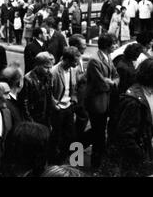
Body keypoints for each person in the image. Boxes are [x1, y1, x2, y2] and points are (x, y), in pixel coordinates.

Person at [111, 58, 153, 176]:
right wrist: (143, 159)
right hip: (137, 161)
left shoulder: (148, 93)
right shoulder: (133, 102)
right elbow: (125, 136)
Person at [85, 33, 119, 169]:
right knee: (98, 133)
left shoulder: (108, 56)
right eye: (114, 43)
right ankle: (94, 164)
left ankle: (94, 158)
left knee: (98, 131)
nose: (116, 46)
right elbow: (101, 85)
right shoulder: (95, 60)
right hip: (96, 102)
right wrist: (109, 82)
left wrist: (111, 82)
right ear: (107, 45)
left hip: (105, 100)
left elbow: (116, 75)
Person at [50, 46, 81, 164]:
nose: (77, 63)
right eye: (74, 61)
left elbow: (74, 86)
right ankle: (54, 164)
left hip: (68, 106)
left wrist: (73, 99)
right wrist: (54, 105)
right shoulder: (54, 71)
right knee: (56, 136)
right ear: (66, 60)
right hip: (58, 109)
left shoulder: (73, 69)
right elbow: (49, 92)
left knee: (71, 136)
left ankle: (72, 162)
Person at [19, 52, 55, 127]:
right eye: (46, 67)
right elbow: (24, 102)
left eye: (50, 67)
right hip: (34, 116)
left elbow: (49, 94)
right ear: (38, 65)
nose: (49, 70)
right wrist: (30, 120)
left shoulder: (49, 76)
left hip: (46, 115)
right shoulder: (28, 79)